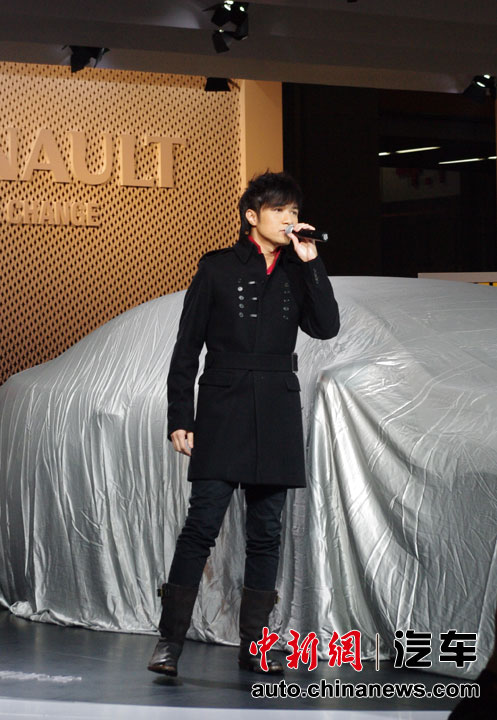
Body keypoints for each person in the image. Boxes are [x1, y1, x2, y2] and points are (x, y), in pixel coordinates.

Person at [147, 170, 340, 677]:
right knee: (201, 527)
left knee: (266, 533)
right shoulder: (216, 267)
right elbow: (186, 348)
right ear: (252, 216)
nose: (290, 219)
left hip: (276, 410)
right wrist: (180, 416)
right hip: (222, 408)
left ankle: (255, 645)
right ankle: (169, 642)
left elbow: (326, 328)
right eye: (280, 210)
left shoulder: (299, 268)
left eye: (294, 211)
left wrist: (313, 264)